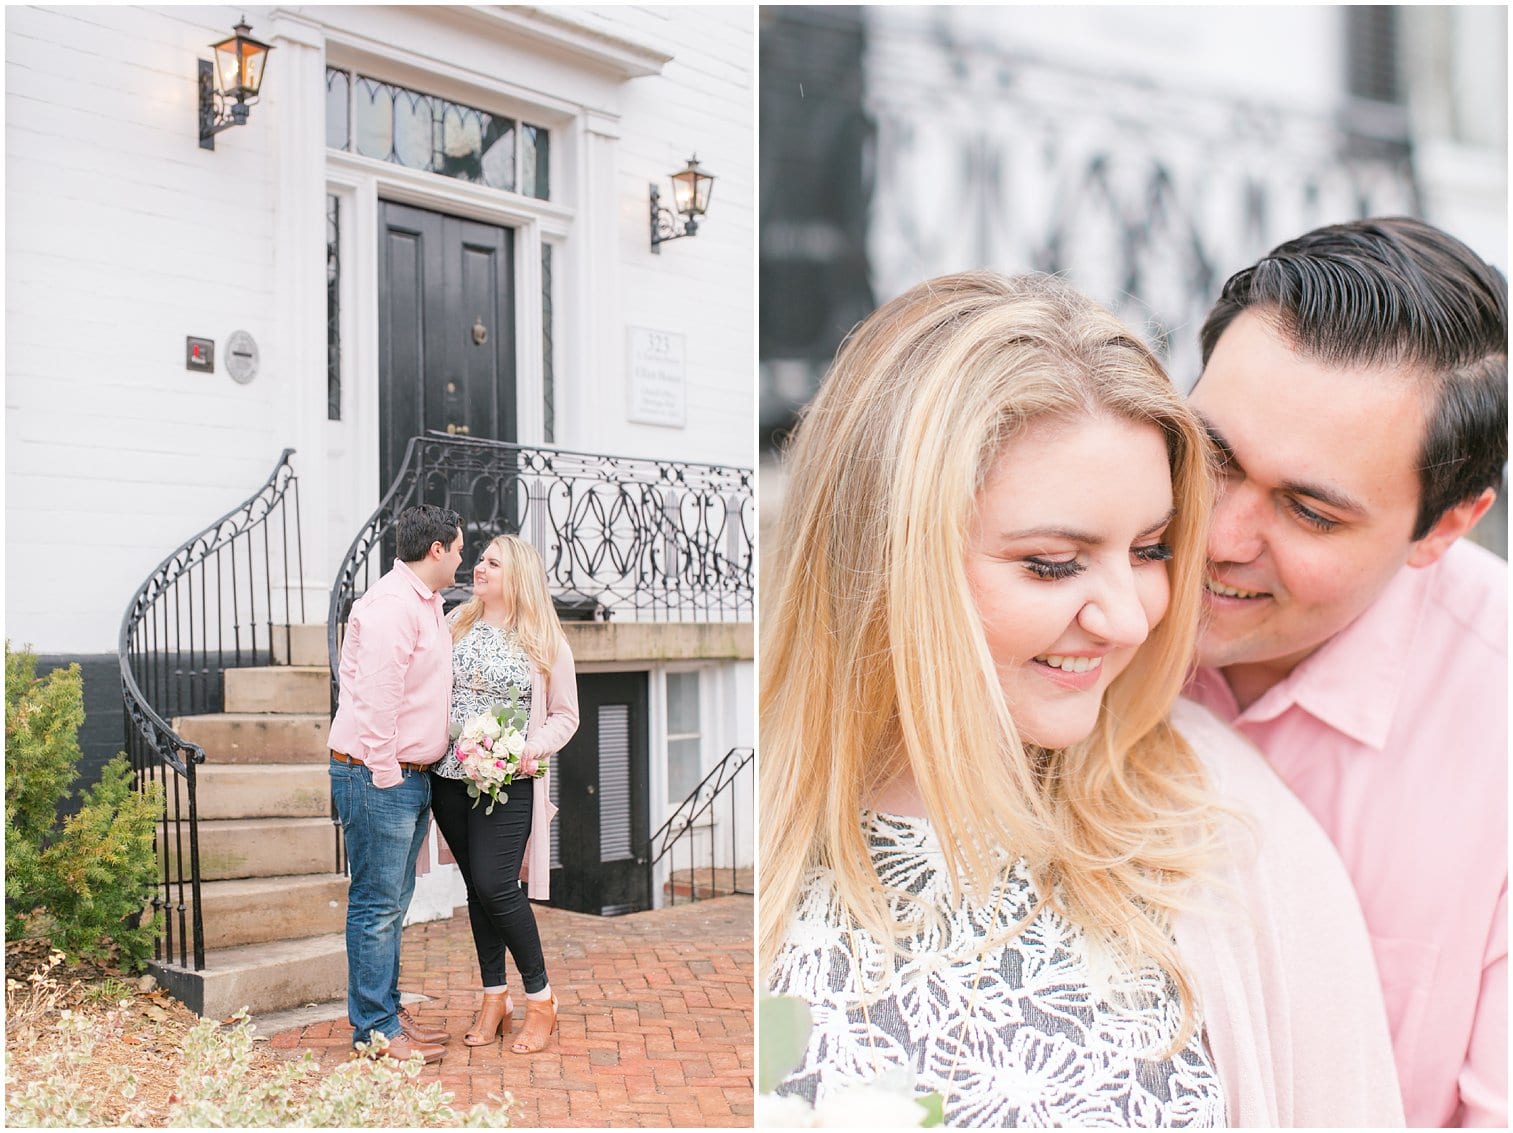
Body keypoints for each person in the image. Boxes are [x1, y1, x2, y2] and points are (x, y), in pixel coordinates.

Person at [759, 272, 1403, 1126]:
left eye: (1150, 548)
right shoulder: (761, 826)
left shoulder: (1224, 835)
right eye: (1053, 564)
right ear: (886, 557)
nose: (1130, 620)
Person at [1185, 216, 1508, 1128]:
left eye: (1308, 511)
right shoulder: (1058, 610)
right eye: (1211, 455)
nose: (1216, 538)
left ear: (1445, 526)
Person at [430, 533, 579, 1055]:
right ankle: (496, 997)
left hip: (507, 780)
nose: (480, 567)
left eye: (493, 562)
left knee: (497, 885)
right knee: (476, 887)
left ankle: (541, 1000)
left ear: (516, 575)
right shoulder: (455, 623)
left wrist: (528, 749)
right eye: (480, 560)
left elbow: (565, 716)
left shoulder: (545, 640)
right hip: (448, 777)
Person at [328, 503, 464, 1063]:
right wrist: (386, 775)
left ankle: (385, 1011)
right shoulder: (390, 607)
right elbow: (376, 697)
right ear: (436, 550)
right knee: (377, 905)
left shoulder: (424, 602)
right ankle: (375, 1032)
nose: (462, 557)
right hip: (380, 776)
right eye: (457, 548)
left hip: (411, 775)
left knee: (394, 900)